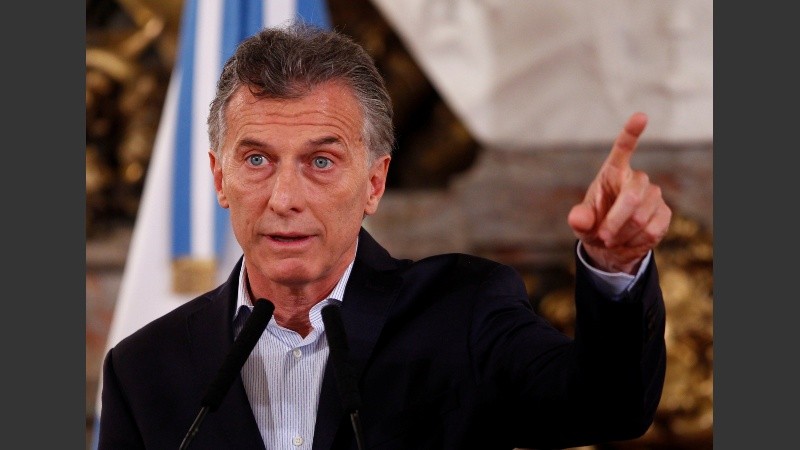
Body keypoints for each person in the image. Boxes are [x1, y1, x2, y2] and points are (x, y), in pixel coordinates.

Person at [98, 22, 670, 450]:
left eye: (321, 162)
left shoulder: (461, 313)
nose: (285, 197)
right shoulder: (144, 369)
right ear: (220, 179)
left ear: (374, 183)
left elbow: (608, 407)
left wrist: (613, 266)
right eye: (256, 160)